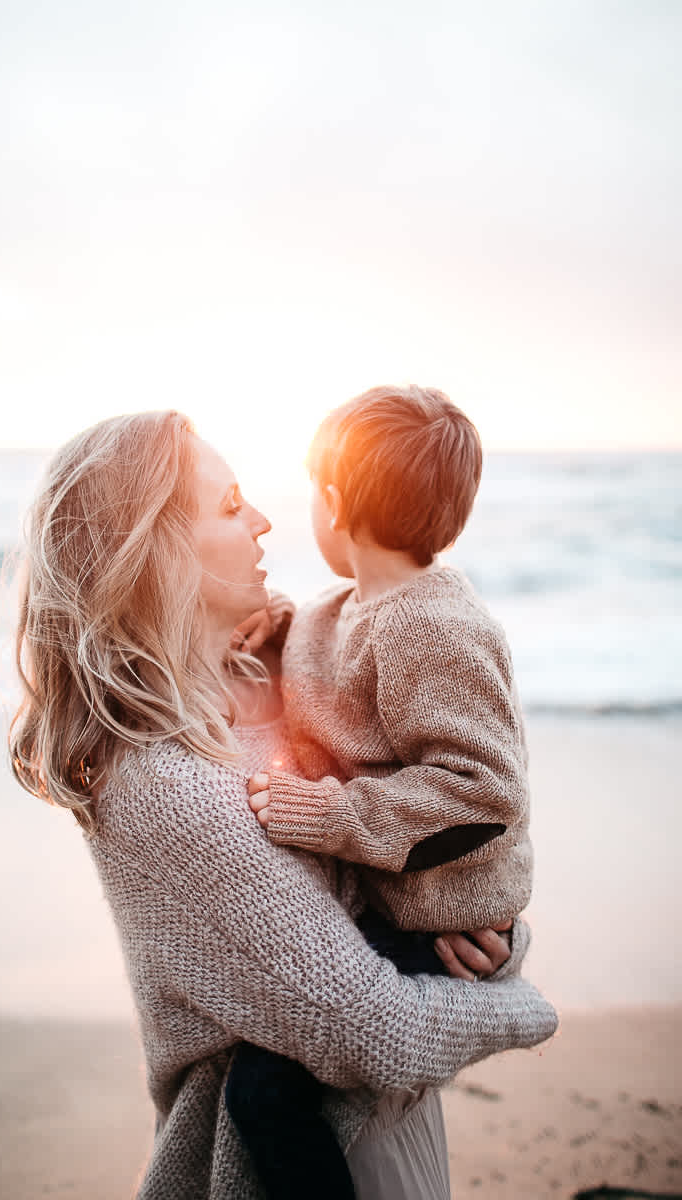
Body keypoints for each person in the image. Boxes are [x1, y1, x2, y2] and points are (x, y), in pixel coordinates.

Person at [8, 410, 557, 1200]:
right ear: (155, 552)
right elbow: (374, 1027)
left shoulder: (287, 677)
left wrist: (490, 941)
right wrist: (518, 1004)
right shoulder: (162, 780)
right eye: (231, 505)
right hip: (278, 1159)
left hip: (387, 1121)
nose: (265, 520)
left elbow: (431, 829)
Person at [229, 384, 533, 1197]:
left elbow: (482, 791)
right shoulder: (357, 604)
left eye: (308, 493)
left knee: (263, 1093)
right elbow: (328, 642)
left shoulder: (431, 626)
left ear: (333, 500)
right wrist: (276, 620)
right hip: (386, 903)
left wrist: (332, 815)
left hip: (440, 922)